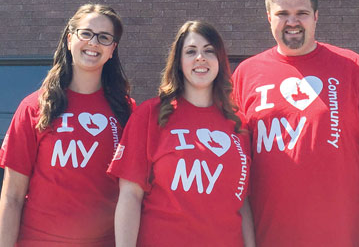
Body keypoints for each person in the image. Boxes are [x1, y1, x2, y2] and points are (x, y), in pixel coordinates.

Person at [232, 0, 359, 247]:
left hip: (347, 238)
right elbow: (235, 164)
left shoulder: (352, 67)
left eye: (301, 13)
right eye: (282, 14)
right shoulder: (245, 74)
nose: (292, 21)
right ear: (269, 18)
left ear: (315, 17)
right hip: (270, 238)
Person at [0, 4, 134, 246]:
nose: (93, 42)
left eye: (104, 37)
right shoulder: (34, 107)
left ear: (112, 49)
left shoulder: (127, 111)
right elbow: (11, 198)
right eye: (86, 33)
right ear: (70, 39)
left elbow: (133, 196)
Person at [109, 21, 255, 247]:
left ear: (220, 60)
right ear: (178, 61)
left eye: (209, 51)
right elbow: (130, 195)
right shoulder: (150, 114)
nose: (200, 58)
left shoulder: (238, 123)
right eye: (191, 51)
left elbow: (242, 201)